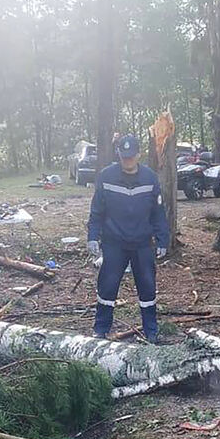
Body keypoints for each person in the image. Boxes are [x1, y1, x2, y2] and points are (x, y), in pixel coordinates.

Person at [87, 134, 169, 343]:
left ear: (139, 155)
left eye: (131, 157)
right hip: (114, 243)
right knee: (107, 286)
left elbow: (158, 213)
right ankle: (100, 329)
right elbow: (97, 211)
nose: (128, 161)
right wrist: (93, 237)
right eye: (124, 157)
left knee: (147, 287)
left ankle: (151, 331)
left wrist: (162, 239)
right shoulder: (106, 176)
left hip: (142, 244)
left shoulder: (150, 178)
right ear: (119, 155)